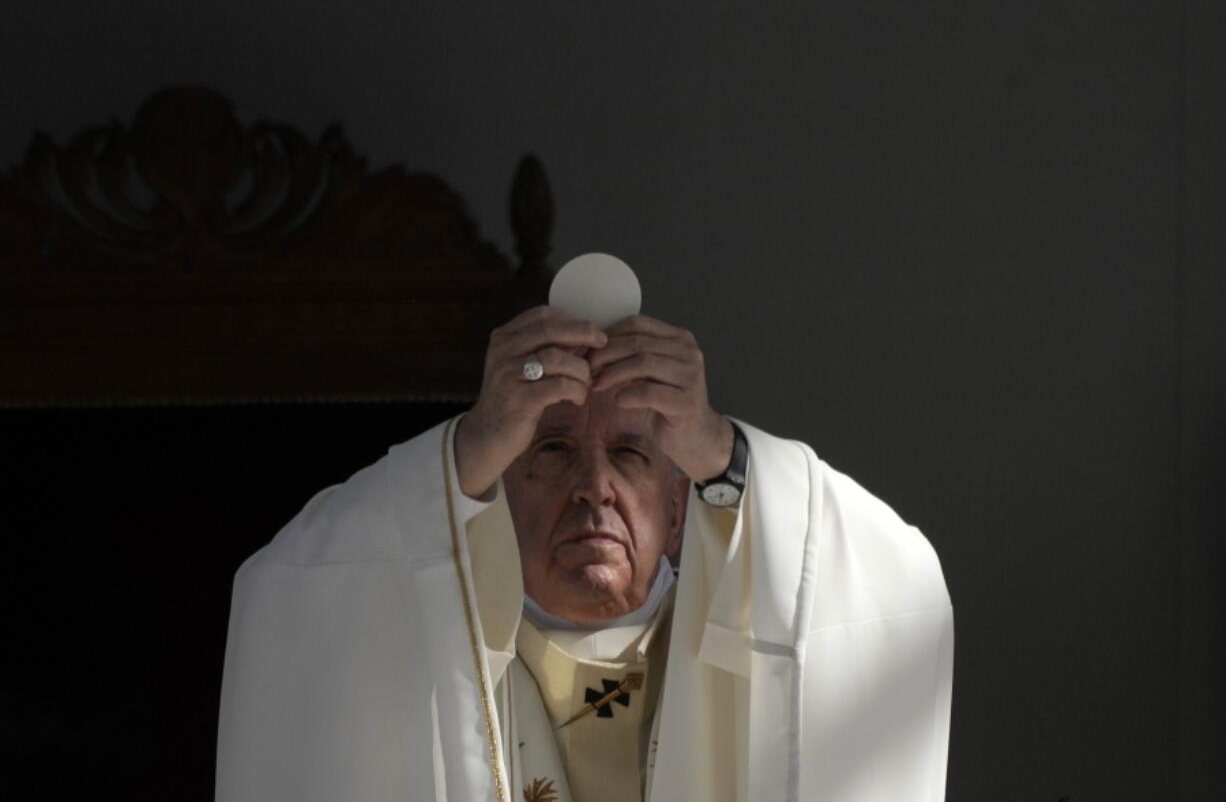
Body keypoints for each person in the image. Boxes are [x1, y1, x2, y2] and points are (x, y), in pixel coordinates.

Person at [215, 307, 953, 802]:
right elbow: (289, 592)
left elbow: (903, 589)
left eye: (631, 454)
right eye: (554, 450)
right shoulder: (426, 630)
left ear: (675, 507)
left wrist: (723, 452)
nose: (592, 488)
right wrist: (470, 443)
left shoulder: (747, 622)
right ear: (495, 494)